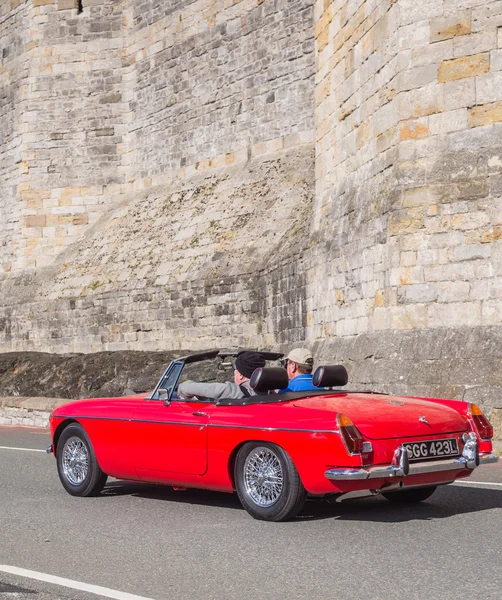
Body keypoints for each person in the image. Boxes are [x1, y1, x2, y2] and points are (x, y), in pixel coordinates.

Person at [178, 351, 266, 401]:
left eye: (234, 369)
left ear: (240, 375)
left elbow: (185, 388)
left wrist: (181, 387)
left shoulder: (232, 391)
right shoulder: (271, 392)